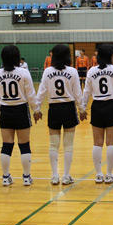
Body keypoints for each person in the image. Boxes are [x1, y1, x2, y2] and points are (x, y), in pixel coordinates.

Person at [33, 44, 82, 185]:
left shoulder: (48, 71)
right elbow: (77, 93)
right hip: (68, 108)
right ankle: (66, 176)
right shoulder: (72, 71)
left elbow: (41, 92)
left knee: (53, 145)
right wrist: (82, 109)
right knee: (68, 145)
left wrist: (37, 109)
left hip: (53, 109)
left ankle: (54, 176)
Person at [80, 44, 113, 183]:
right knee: (111, 143)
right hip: (111, 105)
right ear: (109, 56)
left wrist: (82, 108)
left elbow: (86, 92)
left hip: (97, 106)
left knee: (97, 143)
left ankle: (98, 174)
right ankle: (109, 174)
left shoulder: (91, 71)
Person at [0, 45, 38, 186]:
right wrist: (36, 110)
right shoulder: (23, 73)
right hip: (21, 110)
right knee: (24, 145)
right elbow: (31, 94)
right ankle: (26, 177)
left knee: (6, 145)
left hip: (5, 110)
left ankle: (5, 177)